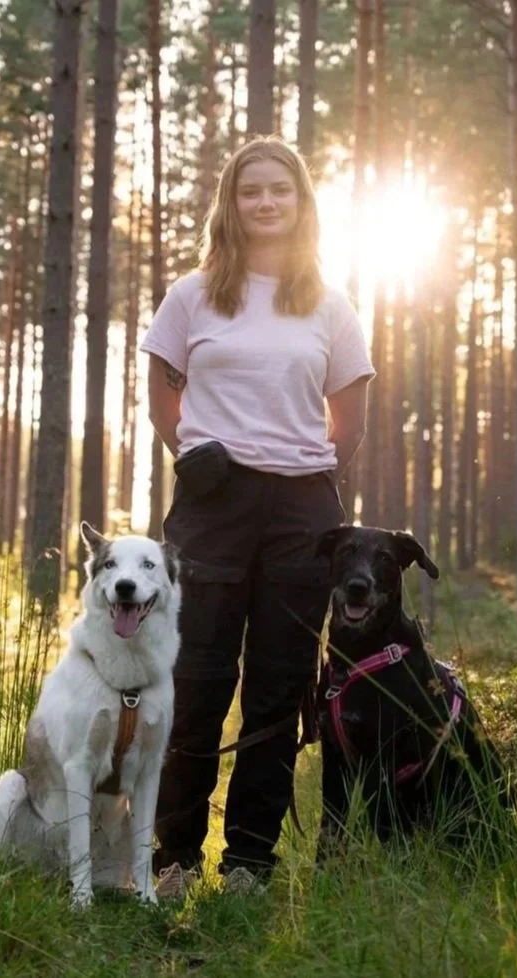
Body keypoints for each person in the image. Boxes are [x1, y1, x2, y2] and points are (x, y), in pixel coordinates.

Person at [141, 136, 374, 898]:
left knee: (279, 686)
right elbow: (161, 398)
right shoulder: (191, 295)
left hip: (303, 507)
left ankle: (248, 862)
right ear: (230, 204)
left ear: (302, 203)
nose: (266, 201)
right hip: (212, 504)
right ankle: (174, 857)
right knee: (196, 678)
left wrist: (297, 468)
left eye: (281, 189)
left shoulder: (331, 306)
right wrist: (199, 452)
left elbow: (350, 418)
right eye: (251, 191)